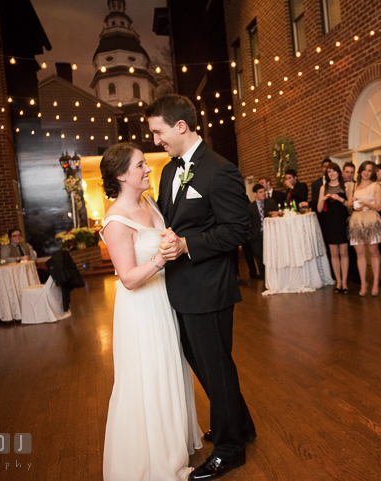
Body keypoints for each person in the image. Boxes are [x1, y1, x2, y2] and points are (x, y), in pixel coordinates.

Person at [149, 94, 255, 481]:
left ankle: (230, 449)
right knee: (203, 362)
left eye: (158, 132)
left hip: (210, 286)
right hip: (180, 287)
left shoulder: (220, 170)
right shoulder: (166, 171)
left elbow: (238, 230)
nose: (156, 140)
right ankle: (240, 424)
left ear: (181, 126)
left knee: (217, 365)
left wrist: (188, 246)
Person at [98, 142, 202, 481]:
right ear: (121, 175)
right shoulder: (116, 221)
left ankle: (173, 449)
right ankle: (157, 462)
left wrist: (170, 240)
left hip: (163, 301)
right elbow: (127, 279)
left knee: (170, 371)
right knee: (150, 379)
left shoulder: (148, 202)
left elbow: (163, 236)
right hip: (141, 309)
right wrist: (161, 258)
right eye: (141, 165)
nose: (147, 169)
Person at [347, 161, 381, 296]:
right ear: (360, 171)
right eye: (364, 170)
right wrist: (351, 204)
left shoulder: (376, 186)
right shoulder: (353, 186)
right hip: (356, 220)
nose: (366, 172)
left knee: (374, 252)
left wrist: (365, 204)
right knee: (360, 254)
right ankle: (363, 283)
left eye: (369, 170)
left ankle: (375, 283)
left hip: (371, 219)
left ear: (372, 172)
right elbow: (349, 207)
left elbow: (379, 207)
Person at [317, 162, 350, 293]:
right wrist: (323, 199)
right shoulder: (323, 188)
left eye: (334, 171)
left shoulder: (345, 186)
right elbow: (319, 209)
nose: (331, 173)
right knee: (334, 253)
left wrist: (340, 199)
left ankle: (345, 282)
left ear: (338, 172)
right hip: (329, 222)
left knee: (344, 253)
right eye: (329, 172)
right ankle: (338, 282)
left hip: (342, 221)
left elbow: (350, 205)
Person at [247, 183, 278, 280]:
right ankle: (265, 280)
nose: (263, 194)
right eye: (260, 192)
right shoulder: (250, 207)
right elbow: (247, 223)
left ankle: (275, 279)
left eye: (264, 191)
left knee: (272, 257)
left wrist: (276, 214)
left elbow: (279, 213)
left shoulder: (271, 203)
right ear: (255, 194)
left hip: (270, 236)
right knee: (260, 259)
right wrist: (250, 235)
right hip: (256, 237)